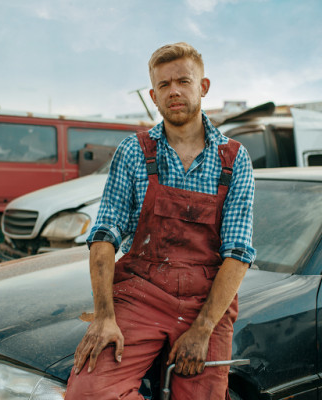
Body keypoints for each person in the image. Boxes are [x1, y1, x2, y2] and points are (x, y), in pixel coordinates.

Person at [65, 42, 256, 400]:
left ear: (203, 86)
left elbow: (238, 252)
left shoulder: (234, 158)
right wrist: (105, 316)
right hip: (142, 292)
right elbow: (104, 234)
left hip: (207, 300)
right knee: (88, 393)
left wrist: (202, 329)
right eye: (164, 85)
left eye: (183, 81)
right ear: (153, 95)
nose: (174, 91)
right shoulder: (134, 151)